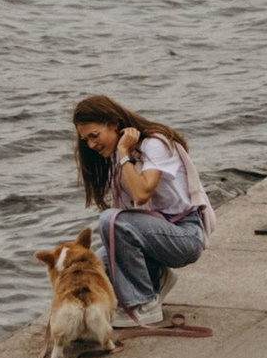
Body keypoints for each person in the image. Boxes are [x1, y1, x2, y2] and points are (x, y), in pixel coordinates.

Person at [71, 95, 210, 330]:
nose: (92, 145)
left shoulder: (153, 144)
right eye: (86, 140)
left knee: (111, 220)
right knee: (85, 269)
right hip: (154, 237)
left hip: (184, 235)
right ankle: (157, 277)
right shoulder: (116, 156)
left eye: (95, 136)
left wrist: (124, 153)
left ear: (114, 125)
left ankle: (144, 303)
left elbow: (142, 193)